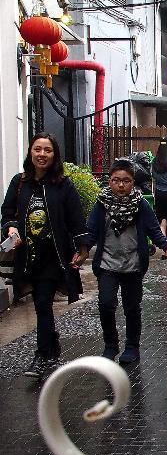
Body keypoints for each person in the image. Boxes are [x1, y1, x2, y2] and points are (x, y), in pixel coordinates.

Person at [0, 132, 89, 378]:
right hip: (27, 256)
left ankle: (42, 356)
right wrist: (10, 226)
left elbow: (76, 219)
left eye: (47, 150)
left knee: (42, 303)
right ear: (31, 152)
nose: (42, 154)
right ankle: (52, 343)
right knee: (41, 306)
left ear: (54, 154)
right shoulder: (20, 182)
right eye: (38, 149)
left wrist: (82, 248)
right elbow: (7, 211)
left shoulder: (63, 184)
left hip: (54, 257)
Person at [74, 159, 167, 363]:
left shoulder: (140, 203)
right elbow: (91, 231)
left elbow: (154, 230)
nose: (121, 185)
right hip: (107, 264)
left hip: (133, 265)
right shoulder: (101, 203)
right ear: (109, 181)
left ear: (133, 182)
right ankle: (110, 345)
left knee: (132, 306)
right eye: (116, 180)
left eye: (126, 181)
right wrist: (82, 250)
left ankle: (132, 347)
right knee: (105, 304)